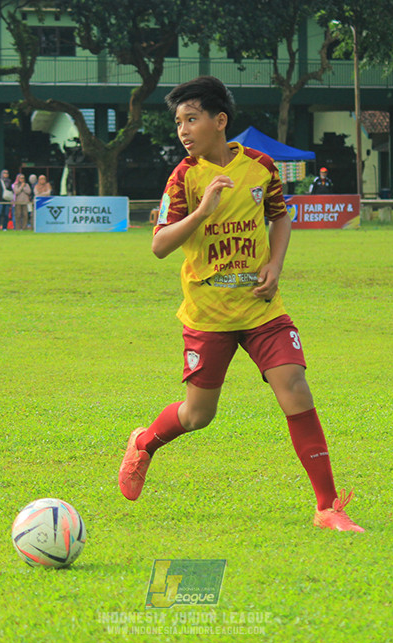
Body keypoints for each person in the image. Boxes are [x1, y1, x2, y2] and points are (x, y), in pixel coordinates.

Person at [117, 75, 363, 533]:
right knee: (198, 415)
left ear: (219, 121)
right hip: (207, 314)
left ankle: (328, 506)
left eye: (191, 119)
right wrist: (203, 210)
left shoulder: (262, 168)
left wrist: (275, 264)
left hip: (260, 308)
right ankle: (145, 442)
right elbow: (159, 246)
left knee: (294, 386)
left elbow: (280, 216)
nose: (183, 130)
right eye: (178, 123)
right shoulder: (184, 176)